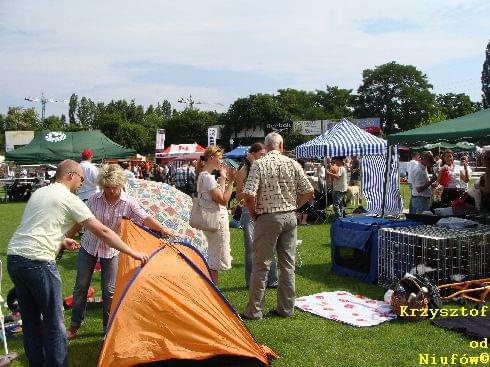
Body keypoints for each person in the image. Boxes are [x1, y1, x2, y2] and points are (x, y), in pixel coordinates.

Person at [6, 159, 149, 367]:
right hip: (38, 262)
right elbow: (102, 231)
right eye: (81, 179)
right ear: (71, 175)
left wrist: (61, 241)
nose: (82, 183)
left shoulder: (40, 193)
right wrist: (133, 252)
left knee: (31, 320)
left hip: (15, 258)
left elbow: (37, 227)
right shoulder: (69, 198)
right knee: (54, 322)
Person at [65, 164, 174, 339]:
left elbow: (144, 218)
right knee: (80, 287)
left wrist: (161, 229)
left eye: (113, 187)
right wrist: (66, 238)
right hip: (89, 246)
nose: (110, 191)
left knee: (109, 291)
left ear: (120, 184)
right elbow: (80, 221)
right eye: (106, 187)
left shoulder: (129, 202)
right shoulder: (94, 199)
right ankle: (74, 325)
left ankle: (107, 330)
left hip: (112, 250)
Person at [242, 132, 313, 320]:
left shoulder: (259, 164)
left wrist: (253, 213)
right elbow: (309, 190)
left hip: (267, 216)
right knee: (288, 266)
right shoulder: (292, 163)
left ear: (266, 147)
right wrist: (295, 206)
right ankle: (286, 309)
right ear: (281, 146)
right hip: (289, 217)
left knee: (261, 265)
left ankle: (254, 311)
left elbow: (248, 195)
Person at [235, 143, 278, 289]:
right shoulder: (243, 171)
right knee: (251, 248)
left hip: (266, 210)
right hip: (249, 211)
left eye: (265, 154)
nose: (264, 157)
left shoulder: (265, 168)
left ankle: (272, 280)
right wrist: (248, 192)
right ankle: (250, 281)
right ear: (252, 154)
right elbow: (238, 195)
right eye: (261, 154)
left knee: (269, 245)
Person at [195, 146, 236, 284]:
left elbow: (219, 196)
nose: (221, 161)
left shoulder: (203, 175)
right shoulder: (208, 178)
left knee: (213, 257)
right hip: (216, 222)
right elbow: (224, 200)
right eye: (220, 158)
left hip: (210, 220)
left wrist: (223, 179)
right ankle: (214, 292)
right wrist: (231, 181)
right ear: (212, 158)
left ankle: (213, 290)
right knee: (215, 261)